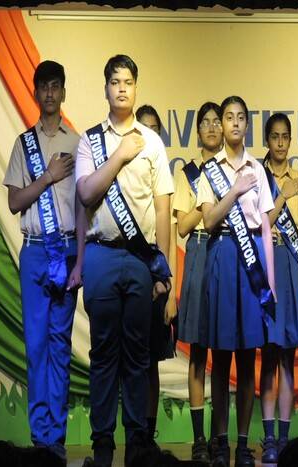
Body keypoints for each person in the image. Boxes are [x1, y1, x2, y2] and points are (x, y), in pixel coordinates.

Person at [75, 55, 174, 467]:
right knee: (103, 354)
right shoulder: (90, 140)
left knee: (137, 354)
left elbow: (163, 207)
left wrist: (163, 272)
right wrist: (118, 155)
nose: (121, 88)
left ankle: (136, 444)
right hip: (100, 254)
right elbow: (85, 194)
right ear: (105, 88)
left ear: (136, 88)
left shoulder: (152, 142)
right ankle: (102, 445)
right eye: (114, 81)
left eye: (128, 81)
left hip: (139, 260)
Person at [3, 60, 84, 462]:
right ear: (36, 93)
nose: (50, 93)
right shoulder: (24, 144)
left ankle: (56, 438)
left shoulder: (79, 143)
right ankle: (40, 438)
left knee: (59, 346)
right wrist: (48, 177)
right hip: (35, 251)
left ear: (63, 92)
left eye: (56, 86)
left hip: (66, 250)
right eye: (44, 87)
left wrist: (81, 260)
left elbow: (84, 207)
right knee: (36, 346)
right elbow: (15, 201)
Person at [195, 96, 276, 467]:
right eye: (229, 117)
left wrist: (270, 282)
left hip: (252, 261)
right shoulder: (210, 170)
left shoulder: (258, 168)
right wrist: (235, 189)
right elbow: (209, 220)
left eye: (241, 117)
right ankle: (220, 443)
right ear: (222, 124)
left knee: (247, 359)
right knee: (221, 356)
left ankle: (242, 444)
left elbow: (266, 227)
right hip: (223, 255)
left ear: (247, 124)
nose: (235, 123)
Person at [260, 113, 298, 463]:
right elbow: (260, 224)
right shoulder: (257, 176)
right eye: (275, 137)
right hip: (268, 268)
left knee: (288, 359)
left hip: (293, 270)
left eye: (285, 137)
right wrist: (282, 196)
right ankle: (268, 438)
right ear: (267, 140)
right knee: (268, 357)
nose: (280, 143)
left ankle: (283, 438)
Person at [173, 101, 223, 462]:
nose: (211, 127)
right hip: (199, 252)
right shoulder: (187, 173)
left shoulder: (230, 169)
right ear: (198, 130)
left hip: (224, 252)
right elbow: (183, 227)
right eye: (204, 122)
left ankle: (220, 436)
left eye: (216, 121)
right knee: (198, 353)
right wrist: (206, 201)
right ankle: (199, 438)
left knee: (222, 352)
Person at [136, 103, 177, 449]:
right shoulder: (123, 174)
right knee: (128, 361)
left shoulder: (164, 177)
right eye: (143, 127)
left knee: (150, 363)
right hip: (129, 274)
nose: (149, 134)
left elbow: (170, 236)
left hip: (157, 280)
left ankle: (147, 436)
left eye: (155, 129)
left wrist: (168, 287)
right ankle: (131, 433)